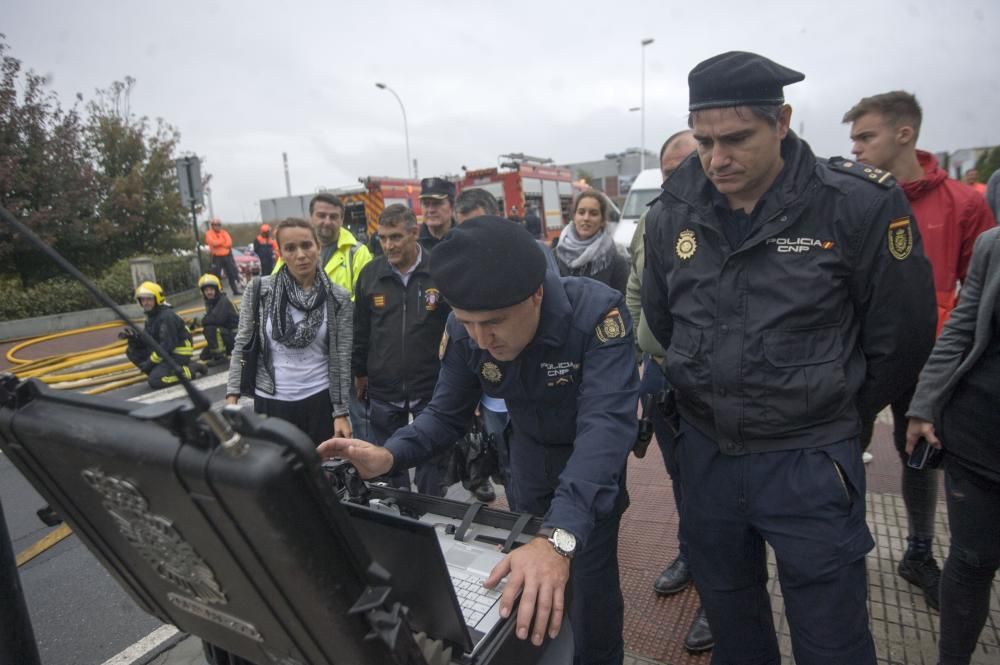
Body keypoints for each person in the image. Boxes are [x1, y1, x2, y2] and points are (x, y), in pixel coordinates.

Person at [642, 51, 937, 665]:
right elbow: (663, 319)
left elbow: (903, 337)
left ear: (782, 120)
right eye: (703, 140)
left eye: (736, 139)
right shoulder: (675, 208)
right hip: (708, 457)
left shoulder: (855, 204)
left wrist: (836, 413)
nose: (717, 158)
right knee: (733, 625)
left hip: (809, 460)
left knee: (833, 640)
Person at [320, 216, 638, 665]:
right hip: (527, 466)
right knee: (531, 600)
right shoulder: (465, 331)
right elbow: (444, 415)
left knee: (592, 599)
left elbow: (605, 430)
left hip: (590, 474)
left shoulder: (596, 316)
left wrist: (559, 538)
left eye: (493, 323)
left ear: (536, 295)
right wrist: (389, 454)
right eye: (467, 322)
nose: (481, 339)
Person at [843, 90, 996, 610]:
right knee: (846, 453)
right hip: (861, 356)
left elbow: (980, 294)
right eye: (854, 138)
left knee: (918, 458)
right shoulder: (853, 198)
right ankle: (848, 552)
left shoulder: (965, 204)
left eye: (867, 136)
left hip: (930, 363)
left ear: (904, 134)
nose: (856, 148)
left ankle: (919, 552)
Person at [625, 128, 714, 654]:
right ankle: (691, 553)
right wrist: (626, 359)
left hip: (711, 381)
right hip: (660, 373)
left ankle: (720, 593)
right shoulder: (654, 220)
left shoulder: (726, 219)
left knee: (720, 489)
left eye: (686, 165)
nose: (676, 178)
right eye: (668, 170)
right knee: (682, 477)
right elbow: (636, 287)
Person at [905, 226, 1000, 665]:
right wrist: (924, 405)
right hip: (978, 435)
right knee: (972, 560)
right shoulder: (993, 244)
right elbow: (961, 328)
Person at [352, 204, 453, 497]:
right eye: (382, 238)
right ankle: (399, 510)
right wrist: (360, 373)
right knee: (387, 458)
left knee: (430, 458)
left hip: (430, 385)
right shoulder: (370, 275)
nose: (388, 245)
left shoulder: (439, 270)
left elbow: (456, 329)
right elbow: (361, 330)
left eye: (395, 237)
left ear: (414, 232)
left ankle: (432, 511)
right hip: (384, 387)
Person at [226, 217, 353, 446]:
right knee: (279, 476)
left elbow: (341, 357)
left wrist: (340, 412)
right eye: (290, 248)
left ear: (318, 246)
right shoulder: (259, 290)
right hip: (271, 403)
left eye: (306, 245)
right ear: (281, 253)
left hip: (319, 401)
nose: (300, 254)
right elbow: (242, 343)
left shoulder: (338, 297)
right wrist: (232, 397)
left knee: (322, 476)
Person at [122, 281, 207, 389]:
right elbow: (149, 340)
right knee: (132, 351)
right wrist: (134, 339)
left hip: (177, 354)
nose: (145, 303)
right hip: (165, 352)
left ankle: (190, 370)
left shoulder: (166, 317)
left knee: (155, 381)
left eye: (149, 299)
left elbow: (166, 346)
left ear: (157, 299)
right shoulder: (152, 316)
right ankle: (161, 371)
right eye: (143, 300)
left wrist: (149, 363)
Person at [554, 191, 628, 296]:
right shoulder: (556, 255)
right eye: (581, 212)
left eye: (593, 213)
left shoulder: (615, 262)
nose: (586, 218)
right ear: (574, 217)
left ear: (602, 220)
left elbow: (621, 304)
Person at [193, 273, 239, 366]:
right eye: (206, 290)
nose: (209, 292)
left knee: (210, 328)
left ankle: (220, 357)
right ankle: (222, 351)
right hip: (228, 335)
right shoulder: (212, 302)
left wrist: (199, 321)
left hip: (236, 337)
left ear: (217, 289)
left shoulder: (223, 301)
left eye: (211, 289)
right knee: (203, 356)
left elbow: (216, 320)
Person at [205, 218, 242, 294]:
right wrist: (222, 241)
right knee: (217, 275)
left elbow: (229, 243)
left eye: (219, 225)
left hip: (227, 256)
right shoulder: (209, 234)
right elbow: (213, 243)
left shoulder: (224, 232)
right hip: (216, 257)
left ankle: (235, 290)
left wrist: (219, 243)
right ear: (212, 226)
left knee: (231, 274)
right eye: (215, 225)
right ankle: (219, 291)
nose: (217, 226)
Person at [418, 177, 456, 250]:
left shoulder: (463, 239)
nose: (431, 210)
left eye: (437, 203)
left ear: (452, 206)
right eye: (426, 204)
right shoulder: (414, 242)